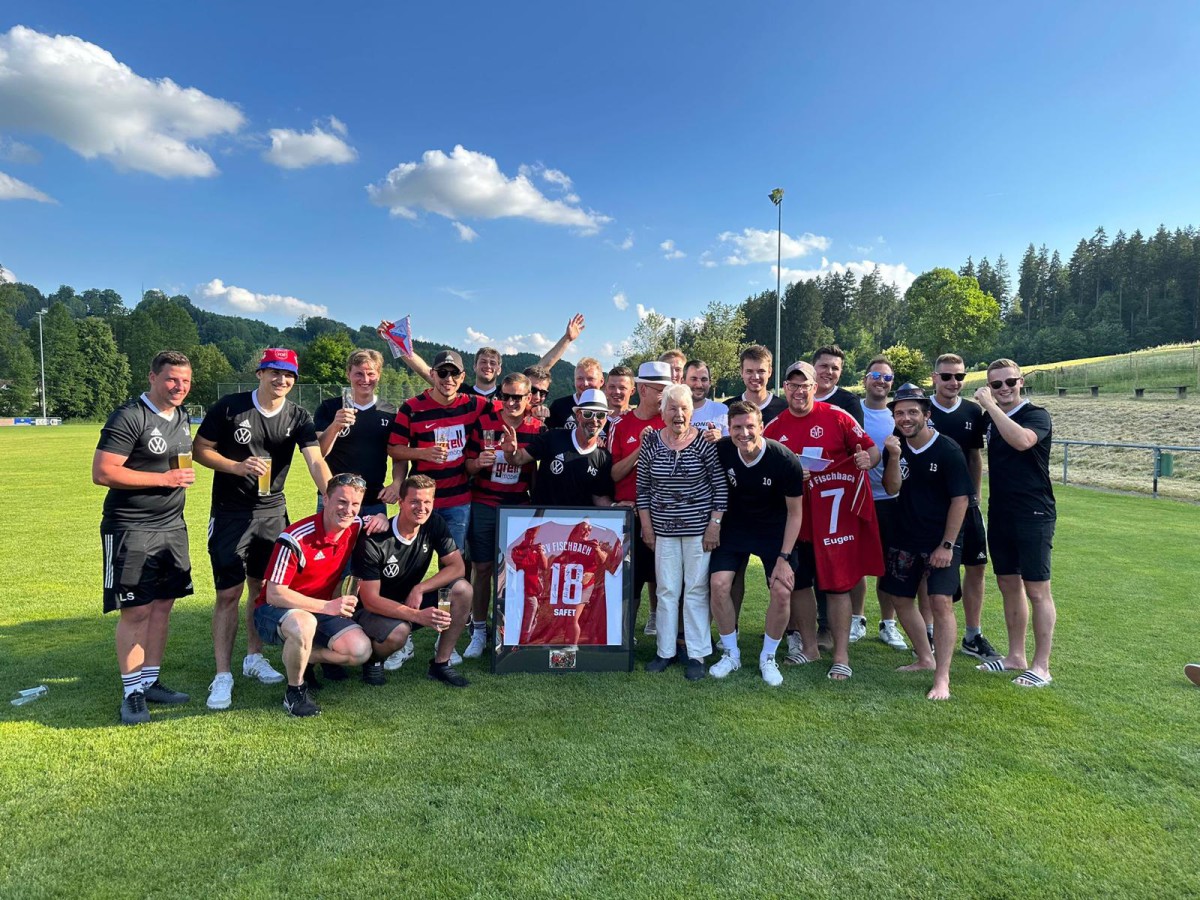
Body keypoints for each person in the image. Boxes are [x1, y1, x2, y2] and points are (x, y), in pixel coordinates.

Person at [194, 348, 332, 711]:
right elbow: (200, 449)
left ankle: (254, 657)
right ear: (260, 373)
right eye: (274, 372)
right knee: (228, 593)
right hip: (230, 514)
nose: (281, 380)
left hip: (272, 514)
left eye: (288, 375)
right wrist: (236, 467)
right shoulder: (230, 407)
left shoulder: (297, 415)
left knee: (263, 589)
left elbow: (315, 459)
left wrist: (333, 495)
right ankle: (222, 674)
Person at [93, 350, 196, 725]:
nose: (179, 387)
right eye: (171, 379)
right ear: (152, 377)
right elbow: (103, 472)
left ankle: (150, 681)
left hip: (172, 527)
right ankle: (131, 692)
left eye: (185, 381)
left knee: (163, 605)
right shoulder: (129, 416)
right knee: (136, 609)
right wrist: (163, 479)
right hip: (131, 528)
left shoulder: (182, 416)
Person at [764, 360, 881, 681]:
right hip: (795, 524)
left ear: (815, 387)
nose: (798, 391)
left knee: (838, 587)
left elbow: (871, 452)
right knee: (800, 584)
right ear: (784, 388)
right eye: (792, 385)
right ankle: (810, 647)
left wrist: (866, 460)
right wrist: (787, 477)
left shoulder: (838, 416)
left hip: (833, 522)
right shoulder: (773, 427)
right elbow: (764, 471)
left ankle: (841, 656)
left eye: (804, 385)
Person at [252, 473, 387, 717]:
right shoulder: (294, 538)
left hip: (321, 608)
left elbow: (373, 519)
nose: (348, 510)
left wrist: (381, 518)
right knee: (304, 623)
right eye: (341, 502)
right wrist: (327, 607)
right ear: (325, 499)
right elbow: (274, 594)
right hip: (274, 611)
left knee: (360, 651)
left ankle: (304, 657)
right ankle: (295, 692)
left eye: (355, 504)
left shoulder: (355, 525)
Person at [879, 384, 971, 701]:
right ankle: (924, 657)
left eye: (912, 412)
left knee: (941, 602)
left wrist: (947, 545)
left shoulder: (948, 450)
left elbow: (961, 499)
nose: (905, 418)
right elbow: (892, 488)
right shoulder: (894, 446)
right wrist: (893, 456)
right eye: (899, 413)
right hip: (905, 534)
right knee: (899, 597)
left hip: (941, 539)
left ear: (926, 415)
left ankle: (942, 678)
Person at [708, 401, 806, 686]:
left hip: (773, 531)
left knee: (782, 590)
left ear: (761, 427)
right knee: (719, 585)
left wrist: (784, 558)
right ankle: (731, 653)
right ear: (729, 429)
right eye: (737, 427)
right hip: (735, 528)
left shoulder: (784, 459)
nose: (744, 433)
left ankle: (768, 657)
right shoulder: (722, 450)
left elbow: (795, 513)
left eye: (750, 426)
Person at [973, 359, 1058, 688]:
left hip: (1033, 512)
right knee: (1008, 584)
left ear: (1021, 381)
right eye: (996, 384)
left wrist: (991, 407)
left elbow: (1022, 441)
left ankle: (1041, 666)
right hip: (1001, 511)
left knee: (1037, 590)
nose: (1004, 388)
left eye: (1010, 382)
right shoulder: (990, 418)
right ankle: (1015, 657)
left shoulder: (1037, 415)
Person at [637, 383, 727, 680]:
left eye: (684, 408)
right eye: (672, 408)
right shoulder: (651, 442)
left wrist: (714, 525)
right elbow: (642, 489)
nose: (678, 414)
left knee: (696, 591)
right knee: (666, 591)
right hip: (663, 530)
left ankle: (697, 653)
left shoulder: (704, 442)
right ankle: (665, 652)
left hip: (699, 531)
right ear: (662, 413)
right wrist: (647, 527)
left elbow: (719, 487)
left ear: (691, 412)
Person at [352, 475, 473, 688]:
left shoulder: (434, 523)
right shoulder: (376, 539)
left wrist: (420, 588)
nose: (422, 508)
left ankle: (441, 664)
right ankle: (374, 660)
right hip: (373, 611)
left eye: (427, 502)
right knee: (399, 632)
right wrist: (417, 616)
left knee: (462, 590)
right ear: (400, 502)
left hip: (410, 600)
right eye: (415, 501)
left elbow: (457, 567)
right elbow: (370, 600)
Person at [461, 372, 544, 658]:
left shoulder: (537, 428)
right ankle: (479, 631)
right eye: (505, 396)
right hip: (484, 502)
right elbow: (467, 465)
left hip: (519, 506)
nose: (511, 402)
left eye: (517, 397)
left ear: (529, 397)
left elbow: (538, 471)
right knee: (482, 568)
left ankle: (511, 630)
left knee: (516, 571)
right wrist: (477, 463)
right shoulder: (485, 423)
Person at [928, 352, 1001, 662]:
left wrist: (976, 496)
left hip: (966, 504)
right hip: (932, 506)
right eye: (947, 376)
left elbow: (974, 456)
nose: (953, 382)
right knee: (929, 567)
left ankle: (973, 635)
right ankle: (929, 633)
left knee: (976, 566)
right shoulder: (922, 409)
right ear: (934, 377)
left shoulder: (972, 411)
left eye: (959, 376)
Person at [388, 349, 486, 553]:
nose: (448, 379)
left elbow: (510, 407)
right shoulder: (411, 408)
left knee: (454, 559)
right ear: (432, 374)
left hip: (457, 501)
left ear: (462, 377)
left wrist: (534, 410)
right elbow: (394, 449)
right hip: (419, 500)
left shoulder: (474, 404)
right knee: (409, 559)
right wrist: (422, 453)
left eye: (454, 373)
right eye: (442, 373)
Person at [382, 314, 585, 400]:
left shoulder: (508, 394)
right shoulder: (461, 392)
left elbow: (542, 367)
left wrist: (567, 339)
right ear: (474, 367)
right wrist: (395, 340)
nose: (488, 366)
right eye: (483, 362)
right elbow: (426, 371)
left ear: (499, 369)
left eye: (493, 363)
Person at [608, 361, 671, 634]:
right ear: (643, 390)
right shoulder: (621, 425)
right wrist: (640, 450)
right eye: (660, 390)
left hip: (660, 514)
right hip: (627, 515)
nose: (664, 396)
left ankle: (665, 634)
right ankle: (625, 636)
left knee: (663, 577)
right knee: (628, 579)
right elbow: (613, 474)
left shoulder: (670, 422)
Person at [313, 348, 400, 517]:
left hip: (373, 501)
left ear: (379, 375)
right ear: (348, 374)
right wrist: (335, 426)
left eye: (371, 374)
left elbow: (398, 455)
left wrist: (396, 483)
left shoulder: (389, 412)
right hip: (335, 499)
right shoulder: (329, 408)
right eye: (359, 374)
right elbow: (318, 453)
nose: (365, 380)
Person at [859, 356, 907, 652]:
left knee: (889, 565)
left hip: (890, 499)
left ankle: (888, 623)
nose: (881, 381)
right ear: (865, 379)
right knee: (856, 562)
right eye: (876, 376)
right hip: (857, 497)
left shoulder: (898, 416)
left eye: (887, 377)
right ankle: (857, 619)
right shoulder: (853, 411)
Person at [498, 388, 615, 507]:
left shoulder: (603, 457)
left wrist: (616, 507)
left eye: (600, 415)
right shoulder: (553, 437)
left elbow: (599, 497)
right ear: (578, 415)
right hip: (543, 516)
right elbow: (518, 459)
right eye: (588, 414)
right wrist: (510, 453)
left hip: (579, 518)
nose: (594, 420)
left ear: (606, 419)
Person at [726, 345, 786, 425]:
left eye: (761, 371)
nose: (755, 377)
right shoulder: (726, 409)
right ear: (741, 372)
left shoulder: (784, 410)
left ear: (769, 372)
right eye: (749, 371)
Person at [547, 356, 606, 429]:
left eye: (590, 379)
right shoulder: (558, 406)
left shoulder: (608, 409)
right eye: (580, 379)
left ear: (601, 381)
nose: (585, 383)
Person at [685, 359, 729, 441]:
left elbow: (732, 444)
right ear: (682, 381)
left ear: (710, 383)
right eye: (694, 379)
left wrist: (721, 440)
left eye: (704, 379)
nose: (699, 385)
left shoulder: (722, 410)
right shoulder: (674, 411)